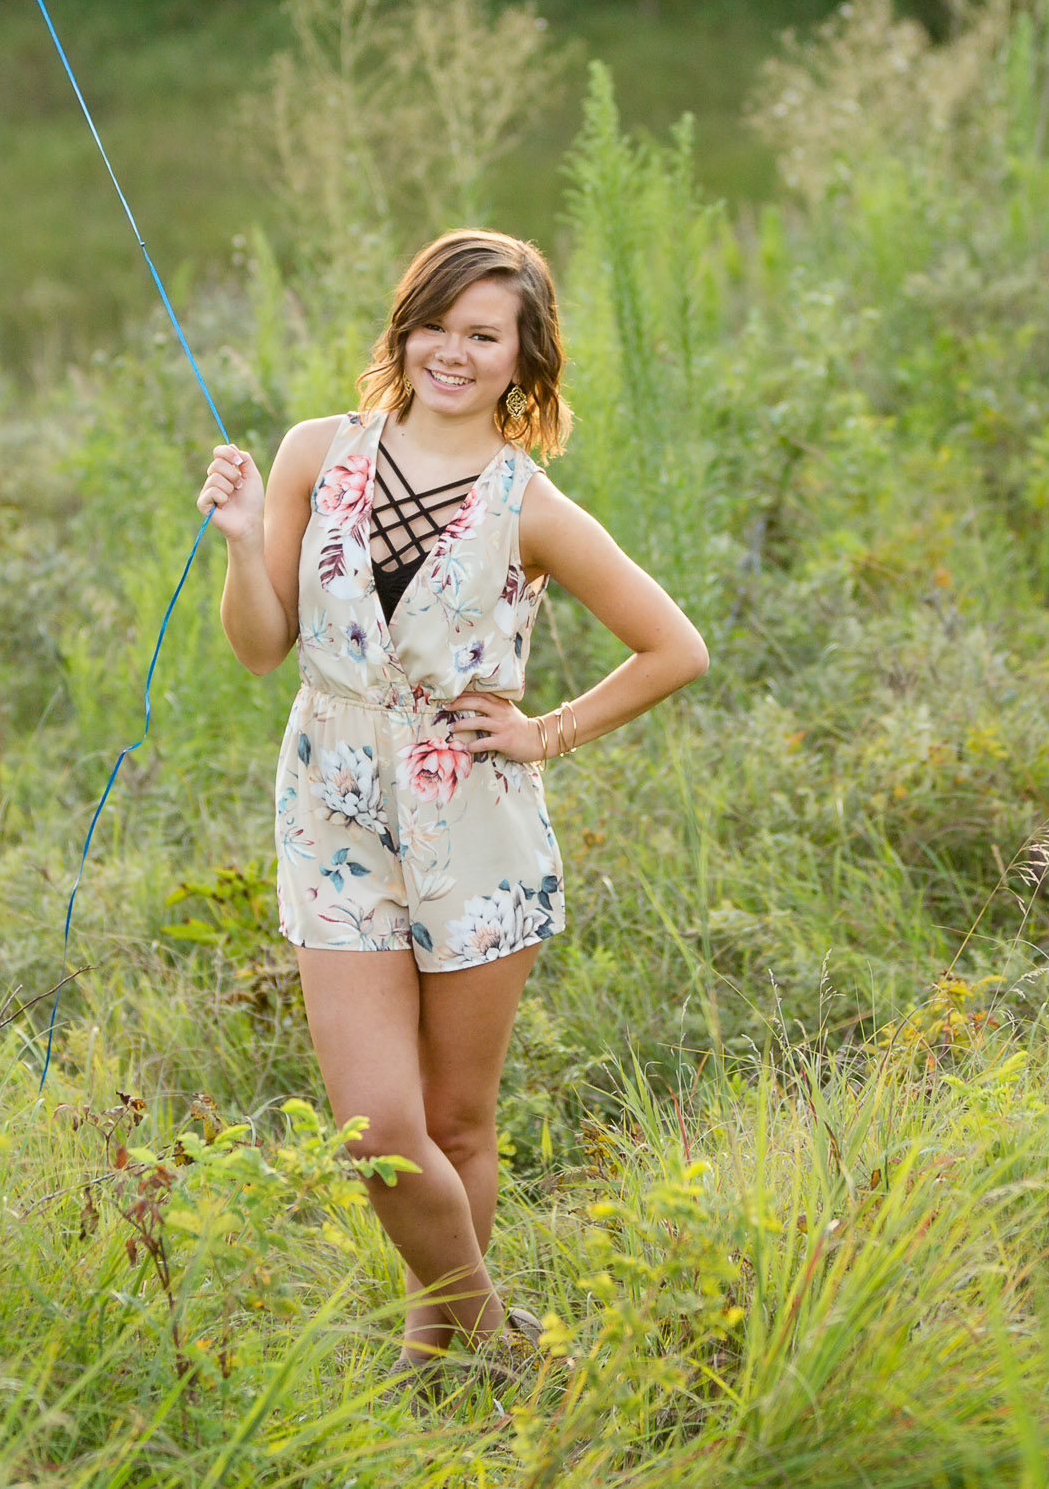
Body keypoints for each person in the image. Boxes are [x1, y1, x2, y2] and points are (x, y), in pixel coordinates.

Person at [196, 228, 708, 1386]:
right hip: (332, 815)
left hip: (475, 821)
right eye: (436, 324)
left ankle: (439, 1357)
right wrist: (240, 548)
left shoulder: (528, 503)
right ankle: (498, 1343)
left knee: (458, 1120)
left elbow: (675, 647)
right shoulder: (314, 453)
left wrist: (541, 732)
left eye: (484, 334)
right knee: (379, 1130)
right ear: (404, 327)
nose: (452, 351)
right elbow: (260, 648)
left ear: (525, 359)